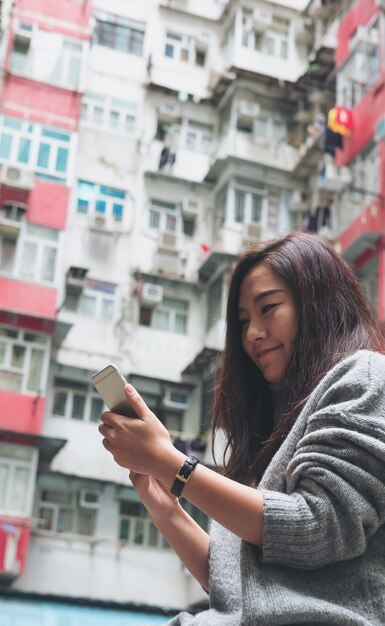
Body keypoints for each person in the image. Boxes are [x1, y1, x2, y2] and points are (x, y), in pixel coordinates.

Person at [98, 232, 385, 625]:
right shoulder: (275, 426)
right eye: (244, 321)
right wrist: (167, 510)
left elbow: (318, 527)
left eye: (269, 308)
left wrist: (174, 466)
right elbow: (238, 588)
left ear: (318, 304)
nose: (251, 334)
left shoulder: (366, 376)